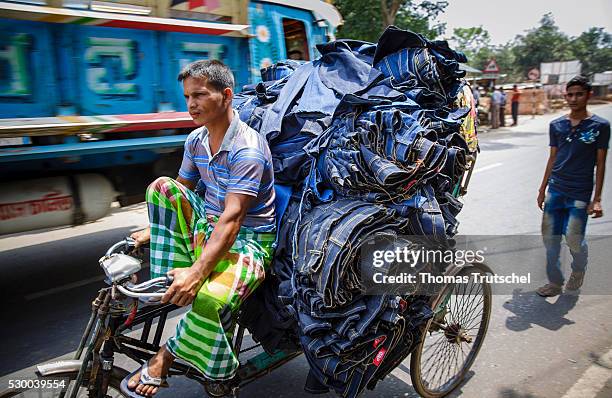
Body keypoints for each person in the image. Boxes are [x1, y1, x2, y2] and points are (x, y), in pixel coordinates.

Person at [126, 60, 276, 396]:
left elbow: (233, 218)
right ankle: (171, 280)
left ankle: (164, 358)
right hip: (208, 229)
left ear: (226, 96)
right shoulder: (196, 140)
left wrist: (198, 272)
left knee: (209, 300)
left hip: (249, 243)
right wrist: (156, 228)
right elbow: (183, 187)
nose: (191, 104)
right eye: (187, 97)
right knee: (160, 186)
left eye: (199, 95)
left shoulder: (247, 149)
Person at [536, 75, 610, 297]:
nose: (574, 98)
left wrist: (597, 199)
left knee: (574, 238)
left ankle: (579, 269)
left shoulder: (600, 126)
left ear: (589, 95)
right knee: (550, 237)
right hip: (556, 189)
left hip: (580, 191)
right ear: (565, 96)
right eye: (570, 94)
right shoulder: (556, 125)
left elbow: (600, 163)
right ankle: (555, 282)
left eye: (579, 94)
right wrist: (542, 190)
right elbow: (552, 158)